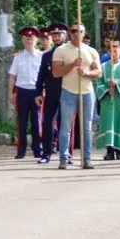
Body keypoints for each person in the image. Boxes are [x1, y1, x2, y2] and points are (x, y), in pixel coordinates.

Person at [52, 23, 101, 170]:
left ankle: (87, 158)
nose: (75, 34)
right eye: (73, 31)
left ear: (84, 33)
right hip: (68, 92)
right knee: (66, 126)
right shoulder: (61, 50)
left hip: (86, 92)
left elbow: (98, 72)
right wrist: (72, 65)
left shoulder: (91, 51)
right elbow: (56, 72)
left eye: (79, 31)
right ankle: (63, 158)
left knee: (87, 126)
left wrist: (87, 73)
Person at [8, 26, 44, 160]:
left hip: (36, 92)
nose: (29, 40)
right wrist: (11, 94)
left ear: (36, 40)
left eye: (32, 38)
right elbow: (12, 76)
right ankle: (21, 150)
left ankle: (37, 149)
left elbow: (44, 76)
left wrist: (42, 91)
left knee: (36, 122)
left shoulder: (41, 56)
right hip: (22, 91)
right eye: (27, 38)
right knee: (21, 122)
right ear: (23, 40)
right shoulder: (18, 57)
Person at [95, 40, 120, 160]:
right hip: (108, 101)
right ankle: (109, 151)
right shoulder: (103, 66)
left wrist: (117, 85)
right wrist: (106, 90)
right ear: (108, 52)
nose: (114, 53)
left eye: (116, 51)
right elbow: (97, 83)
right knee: (108, 123)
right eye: (111, 51)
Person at [36, 23, 68, 165]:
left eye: (59, 34)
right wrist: (38, 93)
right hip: (51, 93)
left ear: (65, 35)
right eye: (54, 35)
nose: (56, 37)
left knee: (65, 124)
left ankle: (66, 154)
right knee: (47, 123)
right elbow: (41, 75)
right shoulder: (47, 55)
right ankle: (46, 154)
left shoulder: (70, 53)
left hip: (67, 92)